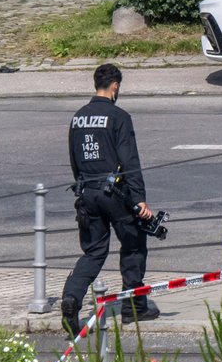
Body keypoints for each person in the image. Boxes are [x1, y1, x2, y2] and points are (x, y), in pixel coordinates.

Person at [61, 63, 159, 335]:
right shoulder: (118, 116)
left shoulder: (78, 117)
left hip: (87, 194)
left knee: (93, 252)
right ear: (115, 86)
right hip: (114, 194)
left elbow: (74, 159)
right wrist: (139, 199)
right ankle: (134, 308)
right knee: (134, 243)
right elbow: (129, 161)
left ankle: (71, 298)